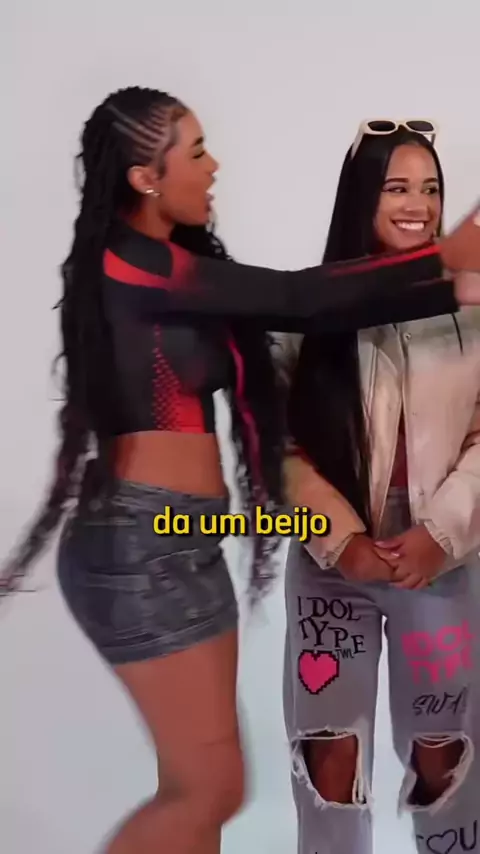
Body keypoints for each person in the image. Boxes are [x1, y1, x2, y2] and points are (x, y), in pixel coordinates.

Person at [1, 93, 480, 854]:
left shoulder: (174, 266)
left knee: (214, 787)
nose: (214, 164)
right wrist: (449, 262)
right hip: (145, 538)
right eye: (196, 152)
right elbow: (298, 305)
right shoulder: (141, 264)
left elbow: (301, 317)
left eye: (429, 188)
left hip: (184, 538)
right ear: (144, 176)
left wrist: (450, 280)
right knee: (217, 786)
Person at [282, 121, 480, 854]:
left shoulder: (471, 307)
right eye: (397, 188)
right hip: (331, 566)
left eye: (430, 189)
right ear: (361, 197)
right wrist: (342, 541)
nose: (418, 206)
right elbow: (275, 447)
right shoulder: (305, 310)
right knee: (328, 755)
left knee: (444, 753)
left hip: (441, 559)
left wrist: (442, 534)